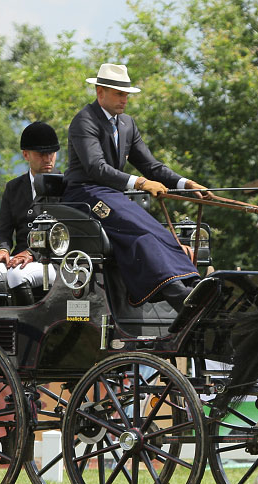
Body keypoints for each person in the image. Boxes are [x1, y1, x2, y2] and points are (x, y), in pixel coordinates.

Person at [63, 63, 211, 310]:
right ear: (100, 92)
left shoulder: (127, 124)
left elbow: (151, 166)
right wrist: (140, 183)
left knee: (152, 231)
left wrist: (184, 183)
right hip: (85, 195)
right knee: (139, 226)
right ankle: (178, 294)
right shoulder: (84, 121)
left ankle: (189, 284)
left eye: (127, 94)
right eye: (119, 94)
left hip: (114, 195)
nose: (125, 99)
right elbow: (95, 168)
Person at [0, 121, 59, 303]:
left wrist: (33, 253)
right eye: (42, 154)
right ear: (26, 154)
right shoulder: (13, 188)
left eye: (51, 153)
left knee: (17, 275)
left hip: (54, 261)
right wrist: (1, 250)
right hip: (18, 259)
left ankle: (27, 329)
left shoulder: (65, 187)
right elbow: (3, 231)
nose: (48, 159)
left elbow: (64, 234)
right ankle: (0, 328)